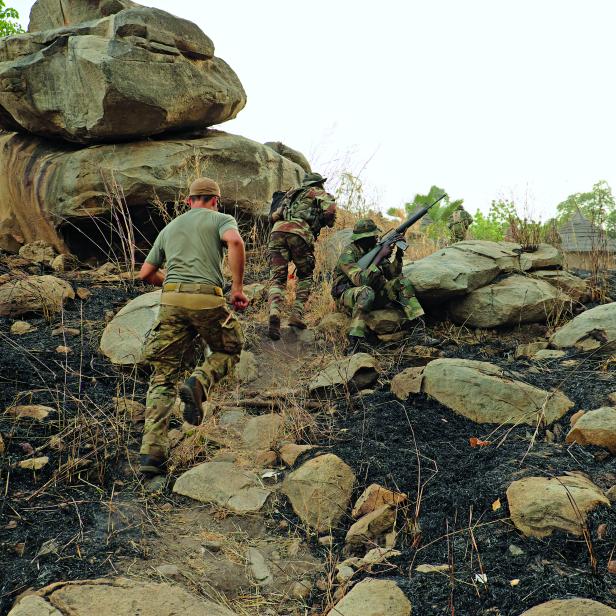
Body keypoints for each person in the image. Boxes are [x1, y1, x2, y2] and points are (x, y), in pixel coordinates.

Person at [137, 177, 248, 476]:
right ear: (215, 200)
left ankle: (151, 454)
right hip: (206, 300)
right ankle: (200, 381)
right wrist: (237, 288)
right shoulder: (221, 218)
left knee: (162, 376)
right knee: (231, 347)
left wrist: (174, 285)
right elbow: (235, 241)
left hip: (171, 301)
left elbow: (145, 273)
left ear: (188, 201)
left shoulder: (169, 228)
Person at [332, 218, 428, 354]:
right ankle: (355, 342)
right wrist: (379, 257)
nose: (376, 238)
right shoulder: (348, 254)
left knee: (402, 282)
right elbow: (360, 281)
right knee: (366, 291)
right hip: (348, 297)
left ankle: (419, 332)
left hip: (373, 294)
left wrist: (398, 254)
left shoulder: (374, 249)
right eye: (373, 236)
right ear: (363, 239)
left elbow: (392, 274)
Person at [267, 172, 337, 340]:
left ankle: (274, 313)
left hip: (277, 231)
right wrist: (324, 221)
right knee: (305, 274)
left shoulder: (290, 194)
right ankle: (296, 313)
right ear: (319, 183)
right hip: (300, 233)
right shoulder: (318, 193)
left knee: (277, 278)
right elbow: (330, 212)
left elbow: (273, 216)